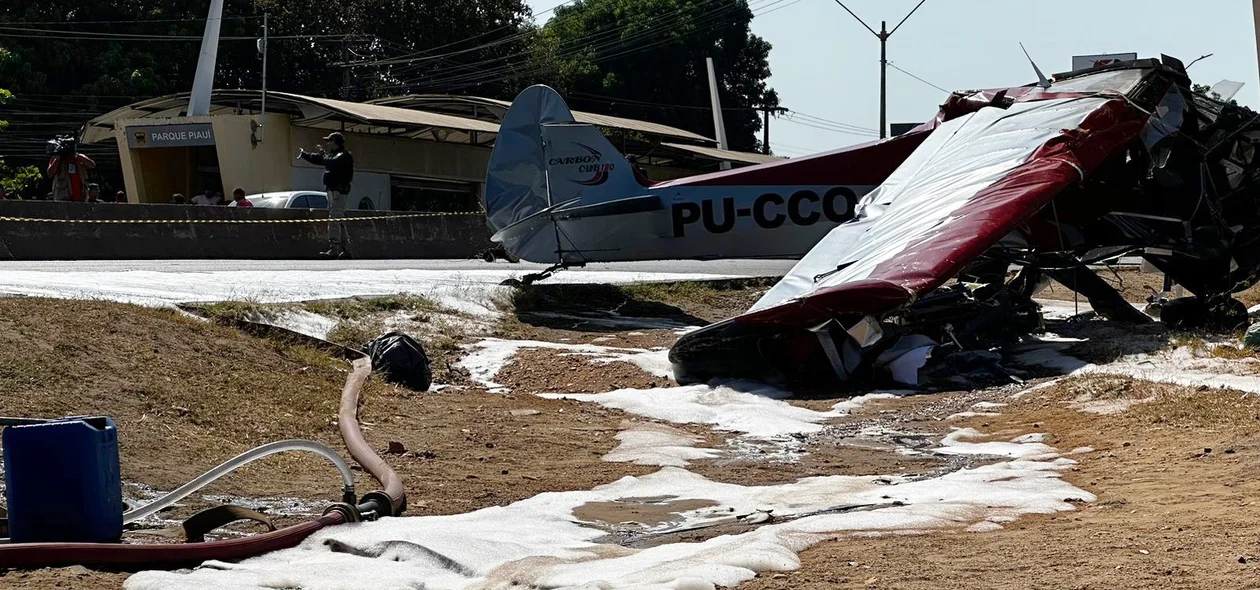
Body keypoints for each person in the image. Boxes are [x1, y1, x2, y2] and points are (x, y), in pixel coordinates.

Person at [299, 132, 355, 258]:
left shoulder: (344, 156)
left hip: (339, 192)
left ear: (335, 142)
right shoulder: (333, 155)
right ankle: (346, 249)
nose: (328, 143)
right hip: (332, 190)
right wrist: (305, 155)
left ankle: (334, 248)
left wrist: (323, 155)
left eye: (329, 141)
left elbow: (329, 161)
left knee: (334, 218)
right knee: (338, 219)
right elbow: (322, 160)